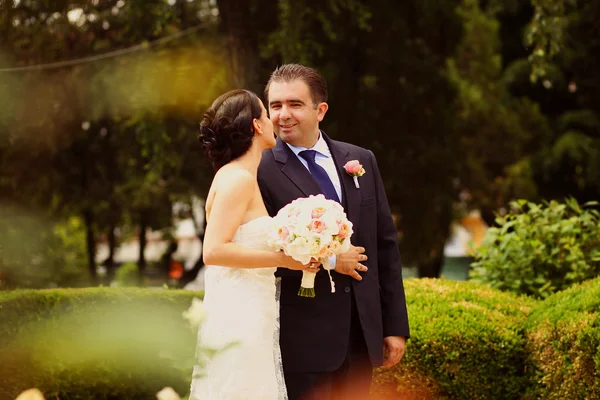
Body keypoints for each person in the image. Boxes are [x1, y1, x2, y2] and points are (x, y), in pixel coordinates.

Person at [258, 64, 410, 400]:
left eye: (295, 104)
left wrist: (395, 327)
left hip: (362, 333)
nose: (283, 115)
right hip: (302, 340)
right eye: (275, 106)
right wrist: (328, 260)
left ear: (320, 110)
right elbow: (258, 253)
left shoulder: (360, 160)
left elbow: (384, 245)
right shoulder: (261, 169)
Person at [189, 89, 319, 400]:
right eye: (266, 112)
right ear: (257, 126)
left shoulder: (238, 176)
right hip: (240, 314)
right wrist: (285, 260)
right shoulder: (238, 180)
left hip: (253, 309)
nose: (274, 119)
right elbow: (213, 251)